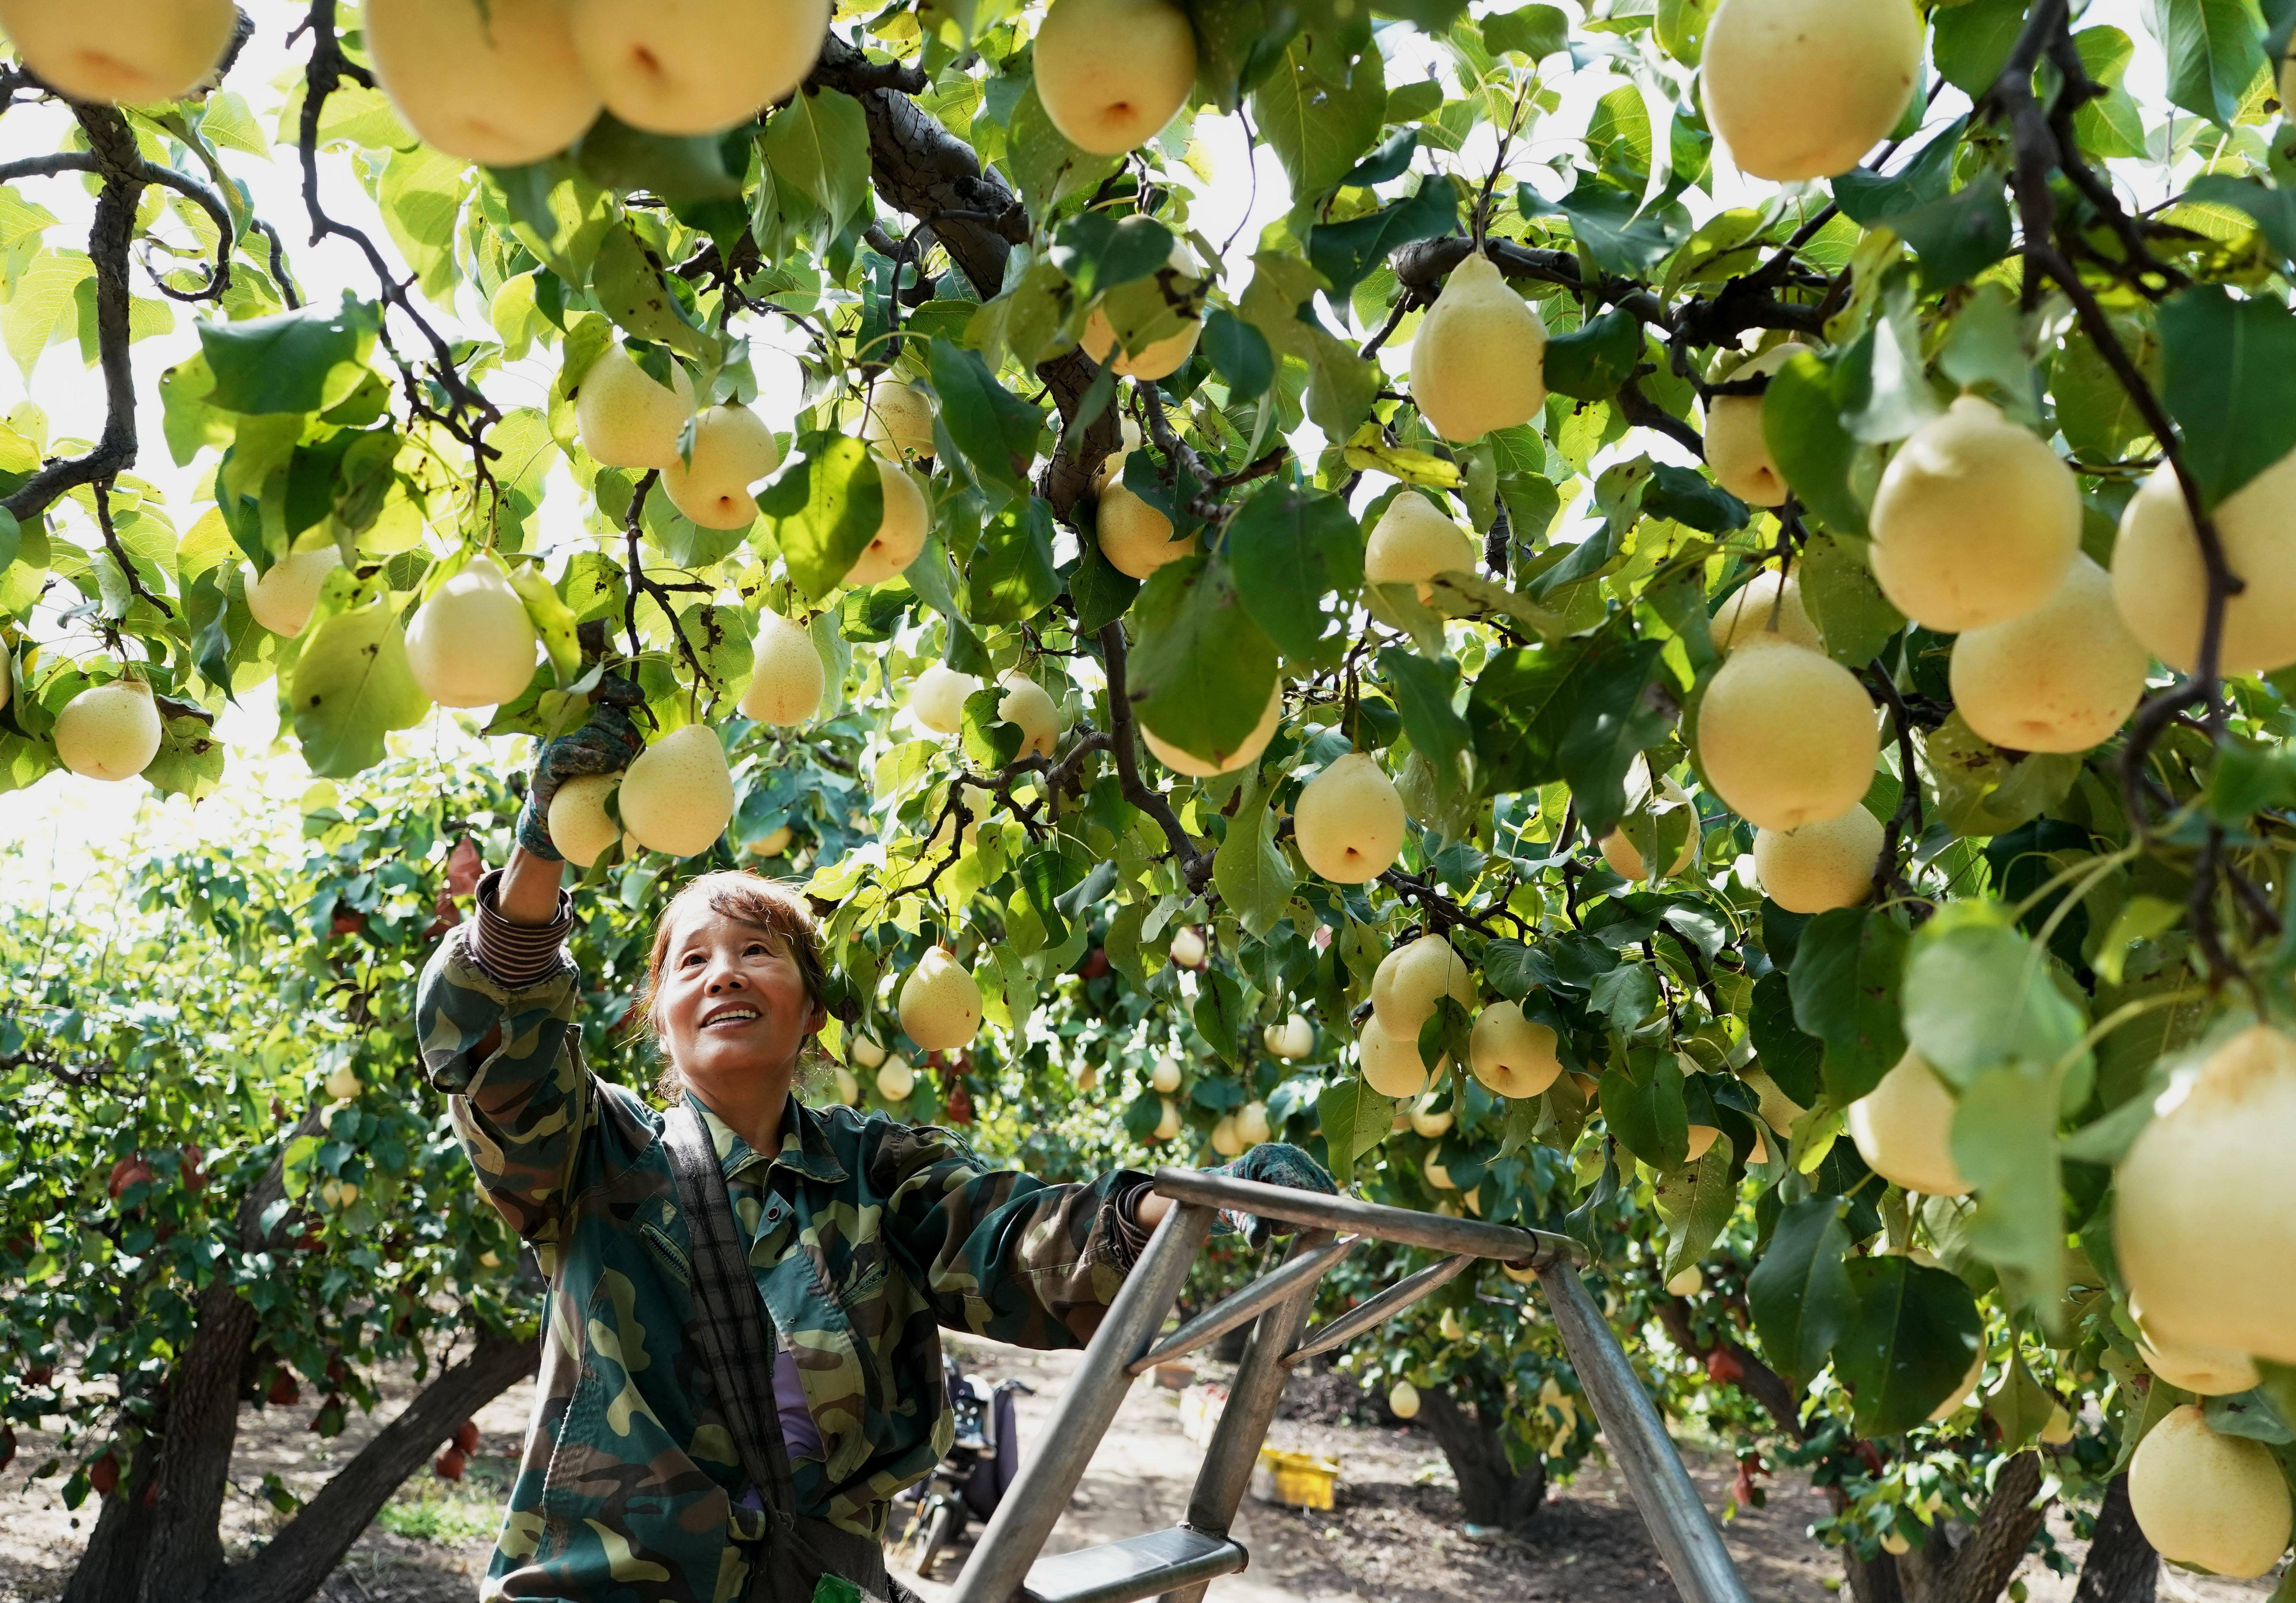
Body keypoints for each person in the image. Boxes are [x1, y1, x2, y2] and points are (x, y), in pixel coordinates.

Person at [415, 682, 1338, 1603]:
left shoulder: (878, 1175)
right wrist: (542, 848)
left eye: (758, 951)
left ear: (812, 1010)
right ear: (661, 1021)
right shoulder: (596, 1158)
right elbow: (495, 1045)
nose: (725, 973)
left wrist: (1179, 1200)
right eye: (691, 961)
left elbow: (1019, 1244)